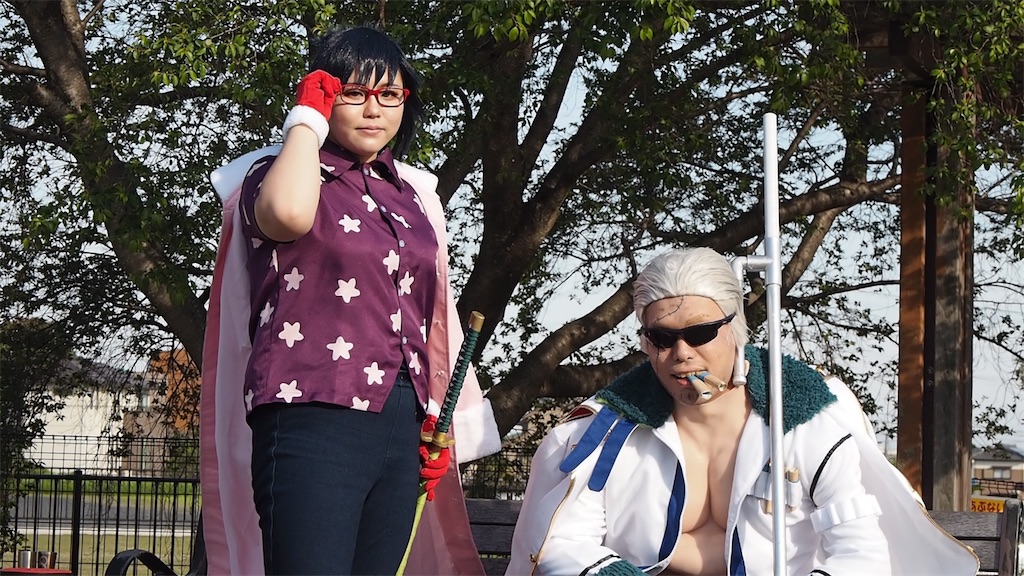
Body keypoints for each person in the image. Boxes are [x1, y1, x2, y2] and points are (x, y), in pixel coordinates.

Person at [199, 25, 501, 575]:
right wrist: (305, 120)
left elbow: (431, 316)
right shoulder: (276, 173)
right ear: (323, 95)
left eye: (390, 94)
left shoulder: (413, 193)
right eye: (353, 92)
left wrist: (434, 417)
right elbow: (286, 215)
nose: (373, 109)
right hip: (310, 410)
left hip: (401, 420)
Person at [506, 247, 979, 575]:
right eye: (662, 338)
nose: (682, 353)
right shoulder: (607, 430)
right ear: (646, 343)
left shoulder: (809, 420)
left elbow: (860, 554)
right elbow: (559, 543)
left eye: (701, 333)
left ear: (735, 328)